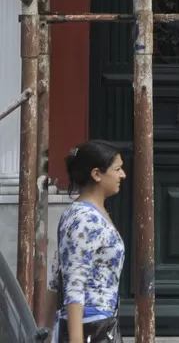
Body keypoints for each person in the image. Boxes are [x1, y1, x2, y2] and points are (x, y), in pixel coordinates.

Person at [46, 141, 126, 343]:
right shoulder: (84, 218)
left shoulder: (92, 213)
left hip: (102, 323)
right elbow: (73, 282)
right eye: (117, 169)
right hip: (91, 326)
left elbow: (56, 277)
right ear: (97, 174)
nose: (122, 175)